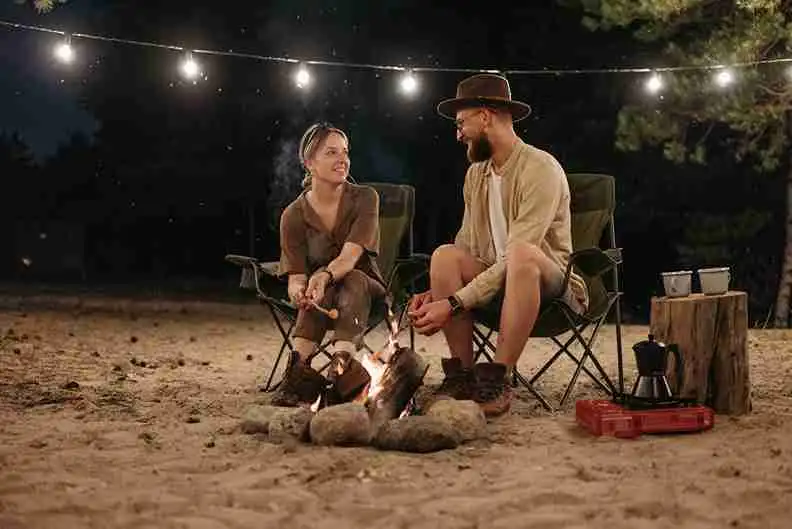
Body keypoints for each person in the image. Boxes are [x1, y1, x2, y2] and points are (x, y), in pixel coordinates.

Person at [408, 74, 589, 417]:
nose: (458, 133)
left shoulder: (540, 168)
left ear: (485, 116)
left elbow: (517, 256)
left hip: (552, 285)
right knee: (445, 255)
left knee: (521, 253)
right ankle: (462, 376)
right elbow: (466, 243)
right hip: (498, 282)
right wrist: (436, 295)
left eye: (461, 123)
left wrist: (455, 302)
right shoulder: (475, 174)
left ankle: (497, 378)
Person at [272, 122, 385, 407]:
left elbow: (349, 258)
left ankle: (341, 370)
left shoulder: (365, 198)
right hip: (323, 297)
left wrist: (322, 276)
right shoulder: (293, 215)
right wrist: (299, 293)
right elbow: (296, 276)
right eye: (331, 152)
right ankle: (297, 370)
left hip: (367, 291)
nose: (342, 159)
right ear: (309, 163)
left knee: (351, 278)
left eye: (345, 152)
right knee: (319, 292)